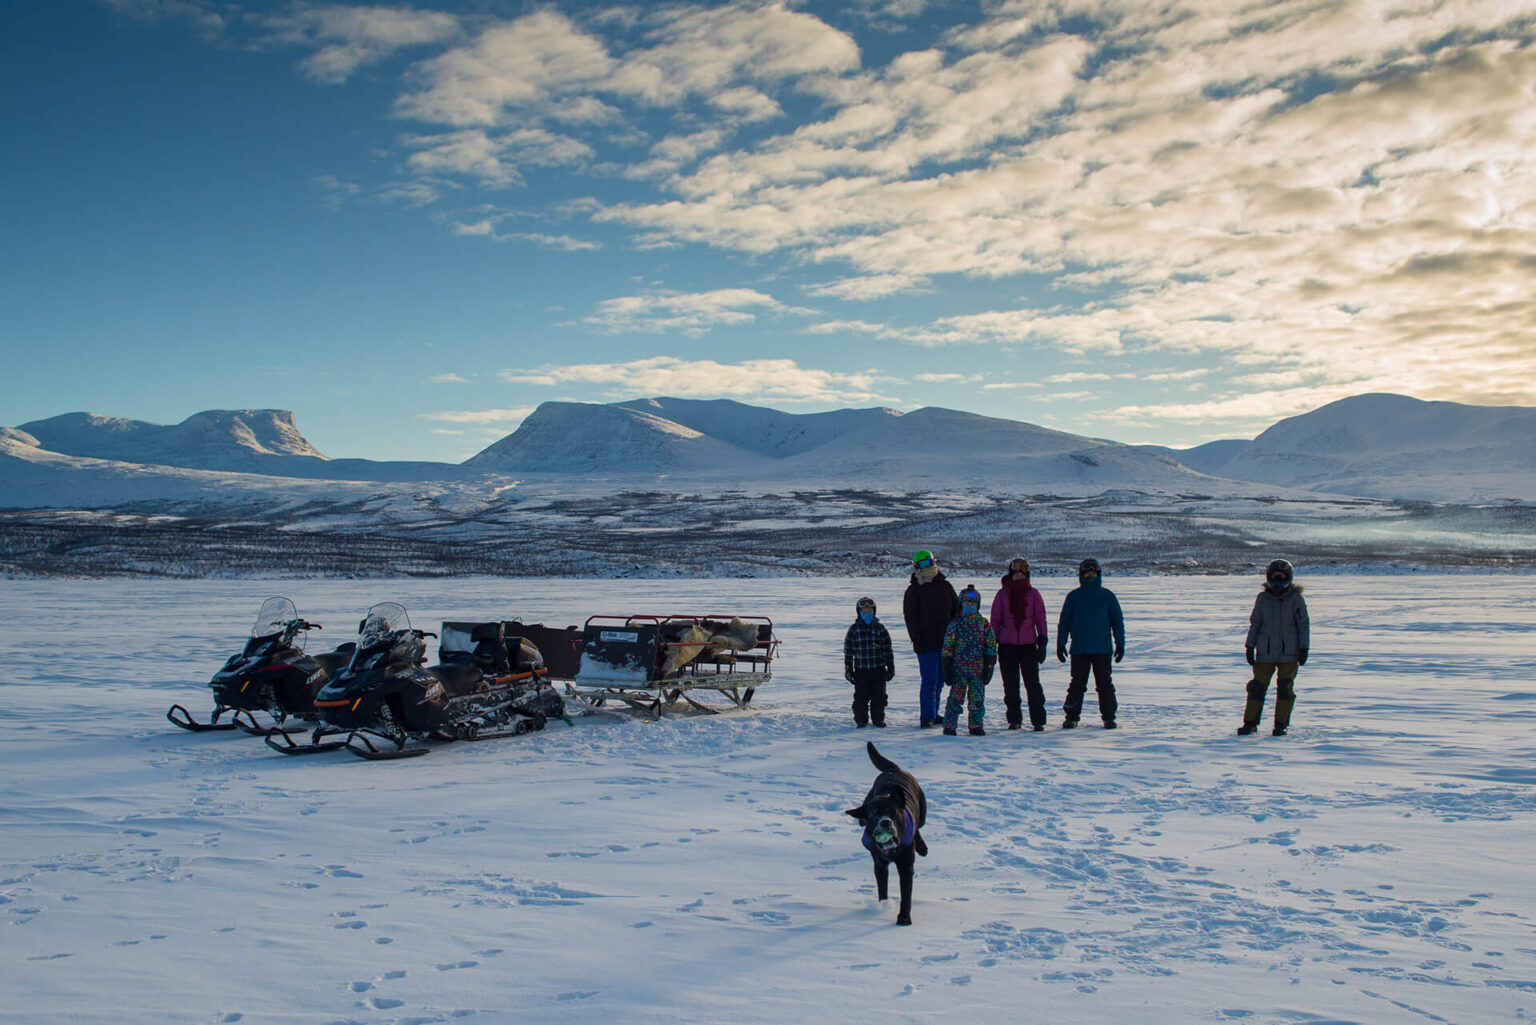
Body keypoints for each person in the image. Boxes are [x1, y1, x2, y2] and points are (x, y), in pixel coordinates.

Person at [1240, 558, 1310, 736]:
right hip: (1265, 653)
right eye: (1274, 577)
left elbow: (1303, 625)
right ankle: (1250, 723)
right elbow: (1255, 623)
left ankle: (1281, 724)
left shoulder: (1295, 599)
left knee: (1285, 689)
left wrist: (1304, 648)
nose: (1277, 581)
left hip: (1290, 653)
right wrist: (1250, 646)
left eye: (1282, 577)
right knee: (1257, 688)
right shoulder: (1263, 598)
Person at [1056, 557, 1125, 729]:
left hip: (1102, 649)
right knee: (1077, 685)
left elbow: (1117, 621)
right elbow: (1064, 622)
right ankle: (1071, 717)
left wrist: (1120, 644)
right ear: (1081, 576)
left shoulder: (1107, 596)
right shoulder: (1073, 597)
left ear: (1099, 575)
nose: (1090, 577)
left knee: (1105, 684)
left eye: (1093, 574)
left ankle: (1109, 717)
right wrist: (1060, 644)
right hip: (1079, 649)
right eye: (1087, 574)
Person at [902, 549, 960, 729]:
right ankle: (926, 717)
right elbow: (910, 618)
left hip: (946, 642)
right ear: (916, 567)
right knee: (929, 680)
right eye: (921, 564)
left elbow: (956, 612)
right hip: (925, 643)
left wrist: (956, 638)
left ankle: (934, 714)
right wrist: (916, 640)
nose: (926, 567)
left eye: (928, 563)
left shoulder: (945, 586)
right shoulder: (913, 590)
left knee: (941, 679)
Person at [990, 557, 1049, 731]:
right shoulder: (1002, 594)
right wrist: (991, 643)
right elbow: (995, 620)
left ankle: (1038, 720)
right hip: (1006, 646)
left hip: (1028, 646)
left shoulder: (1034, 594)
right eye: (1016, 572)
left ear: (1027, 575)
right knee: (1010, 684)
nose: (1019, 576)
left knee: (1032, 684)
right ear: (1010, 574)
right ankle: (1014, 719)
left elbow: (1040, 619)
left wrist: (1043, 640)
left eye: (1023, 573)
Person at [941, 585, 998, 736]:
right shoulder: (956, 624)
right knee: (955, 700)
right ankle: (949, 725)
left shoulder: (983, 624)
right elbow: (948, 646)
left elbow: (990, 645)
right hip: (959, 671)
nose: (970, 606)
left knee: (977, 701)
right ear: (961, 604)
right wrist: (946, 665)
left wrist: (990, 664)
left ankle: (976, 725)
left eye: (973, 603)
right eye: (967, 603)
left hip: (977, 672)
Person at [844, 596, 896, 728]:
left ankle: (878, 719)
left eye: (869, 611)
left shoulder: (880, 629)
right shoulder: (854, 630)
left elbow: (887, 649)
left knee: (879, 697)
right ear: (859, 613)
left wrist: (890, 666)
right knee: (861, 698)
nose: (867, 614)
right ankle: (861, 720)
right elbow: (849, 652)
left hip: (878, 669)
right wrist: (848, 669)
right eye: (864, 611)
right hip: (861, 670)